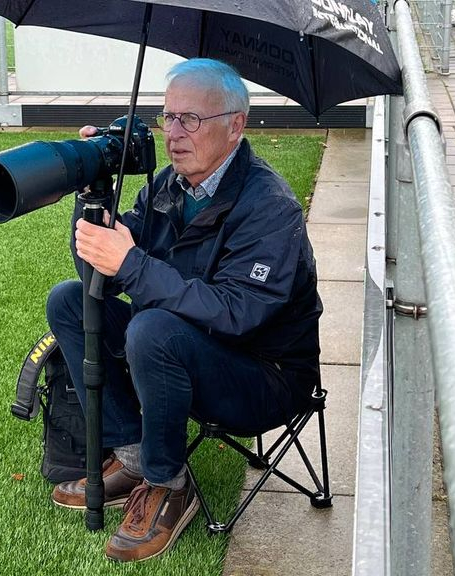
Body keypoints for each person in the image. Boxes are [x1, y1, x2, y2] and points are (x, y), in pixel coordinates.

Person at [45, 58, 322, 563]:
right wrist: (91, 196)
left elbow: (237, 312)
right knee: (68, 300)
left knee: (153, 328)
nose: (173, 133)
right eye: (168, 116)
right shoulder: (168, 186)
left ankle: (167, 484)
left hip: (265, 375)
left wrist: (132, 263)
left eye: (190, 119)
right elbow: (98, 278)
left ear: (235, 125)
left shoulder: (270, 206)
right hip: (187, 347)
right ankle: (132, 455)